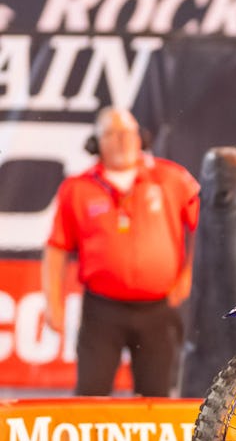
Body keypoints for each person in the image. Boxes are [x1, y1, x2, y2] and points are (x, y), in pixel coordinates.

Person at [42, 107, 199, 397]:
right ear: (96, 143)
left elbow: (205, 223)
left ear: (141, 138)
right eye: (112, 134)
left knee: (156, 398)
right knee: (91, 395)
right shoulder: (77, 188)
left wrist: (188, 275)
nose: (122, 140)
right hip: (102, 311)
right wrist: (53, 303)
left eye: (128, 133)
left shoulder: (171, 178)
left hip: (158, 309)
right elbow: (56, 248)